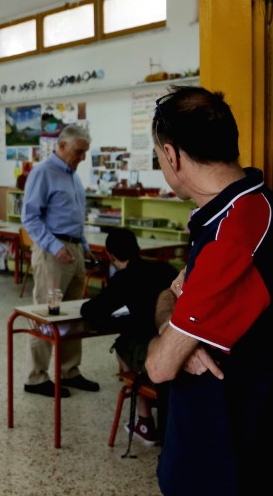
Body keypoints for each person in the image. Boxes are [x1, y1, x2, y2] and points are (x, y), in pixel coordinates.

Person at [144, 86, 273, 496]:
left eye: (159, 158)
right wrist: (177, 327)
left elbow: (159, 366)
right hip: (229, 451)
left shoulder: (236, 233)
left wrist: (174, 339)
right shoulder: (244, 208)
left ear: (172, 155)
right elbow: (171, 296)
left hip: (231, 465)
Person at [21, 123, 100, 397]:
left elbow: (74, 218)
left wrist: (84, 247)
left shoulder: (73, 177)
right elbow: (30, 218)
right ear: (62, 146)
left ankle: (69, 370)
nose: (82, 157)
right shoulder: (43, 173)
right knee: (47, 313)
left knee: (74, 314)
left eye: (85, 152)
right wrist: (55, 247)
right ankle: (36, 377)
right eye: (79, 151)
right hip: (52, 253)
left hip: (74, 251)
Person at [79, 227, 176, 445]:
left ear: (110, 255)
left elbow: (91, 311)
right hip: (179, 345)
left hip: (155, 352)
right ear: (138, 248)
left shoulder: (123, 279)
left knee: (121, 346)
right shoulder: (164, 268)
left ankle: (144, 420)